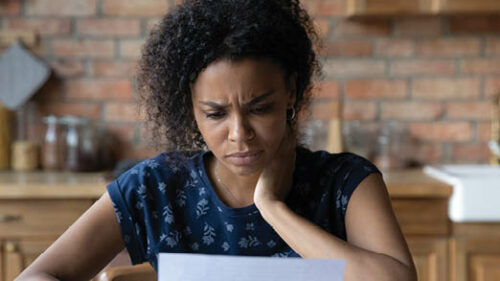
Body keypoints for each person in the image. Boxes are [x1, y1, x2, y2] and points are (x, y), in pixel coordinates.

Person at [16, 0, 417, 280]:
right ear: (188, 108)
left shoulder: (346, 183)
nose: (239, 134)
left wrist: (273, 208)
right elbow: (40, 273)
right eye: (215, 114)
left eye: (259, 108)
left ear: (291, 93)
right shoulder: (155, 188)